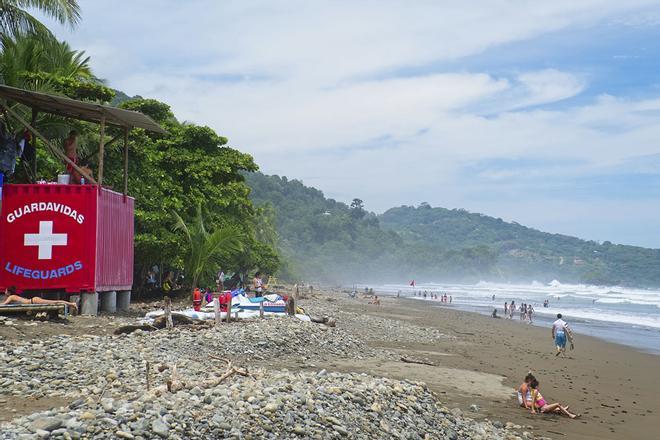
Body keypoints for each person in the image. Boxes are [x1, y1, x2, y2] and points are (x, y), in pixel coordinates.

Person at [2, 286, 78, 313]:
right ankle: (71, 304)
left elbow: (4, 305)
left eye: (5, 291)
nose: (4, 292)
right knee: (55, 302)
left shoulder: (11, 297)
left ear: (9, 292)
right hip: (32, 301)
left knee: (55, 302)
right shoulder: (13, 296)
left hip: (33, 301)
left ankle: (72, 304)